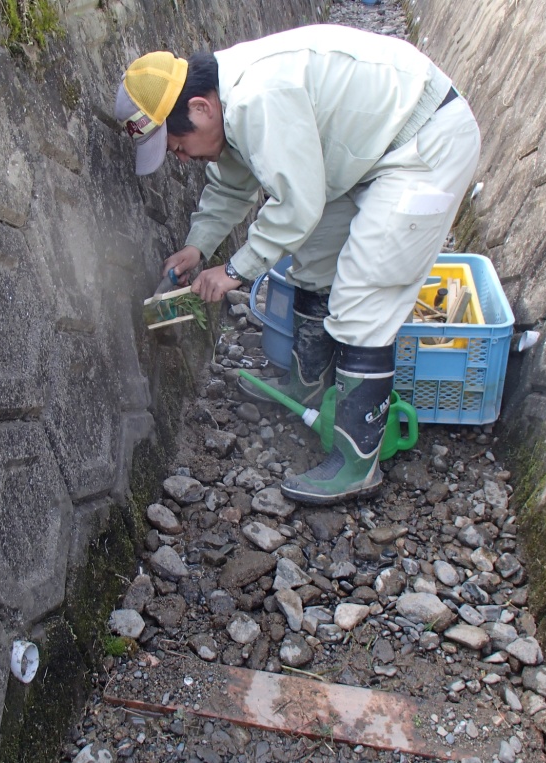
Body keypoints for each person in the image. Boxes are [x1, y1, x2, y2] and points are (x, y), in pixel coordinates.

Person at [114, 24, 480, 504]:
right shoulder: (224, 97)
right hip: (362, 154)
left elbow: (297, 205)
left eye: (178, 146)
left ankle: (356, 463)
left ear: (200, 109)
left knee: (363, 299)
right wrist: (198, 247)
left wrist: (233, 271)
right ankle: (308, 386)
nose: (180, 159)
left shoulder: (256, 98)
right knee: (315, 258)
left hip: (422, 143)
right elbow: (231, 183)